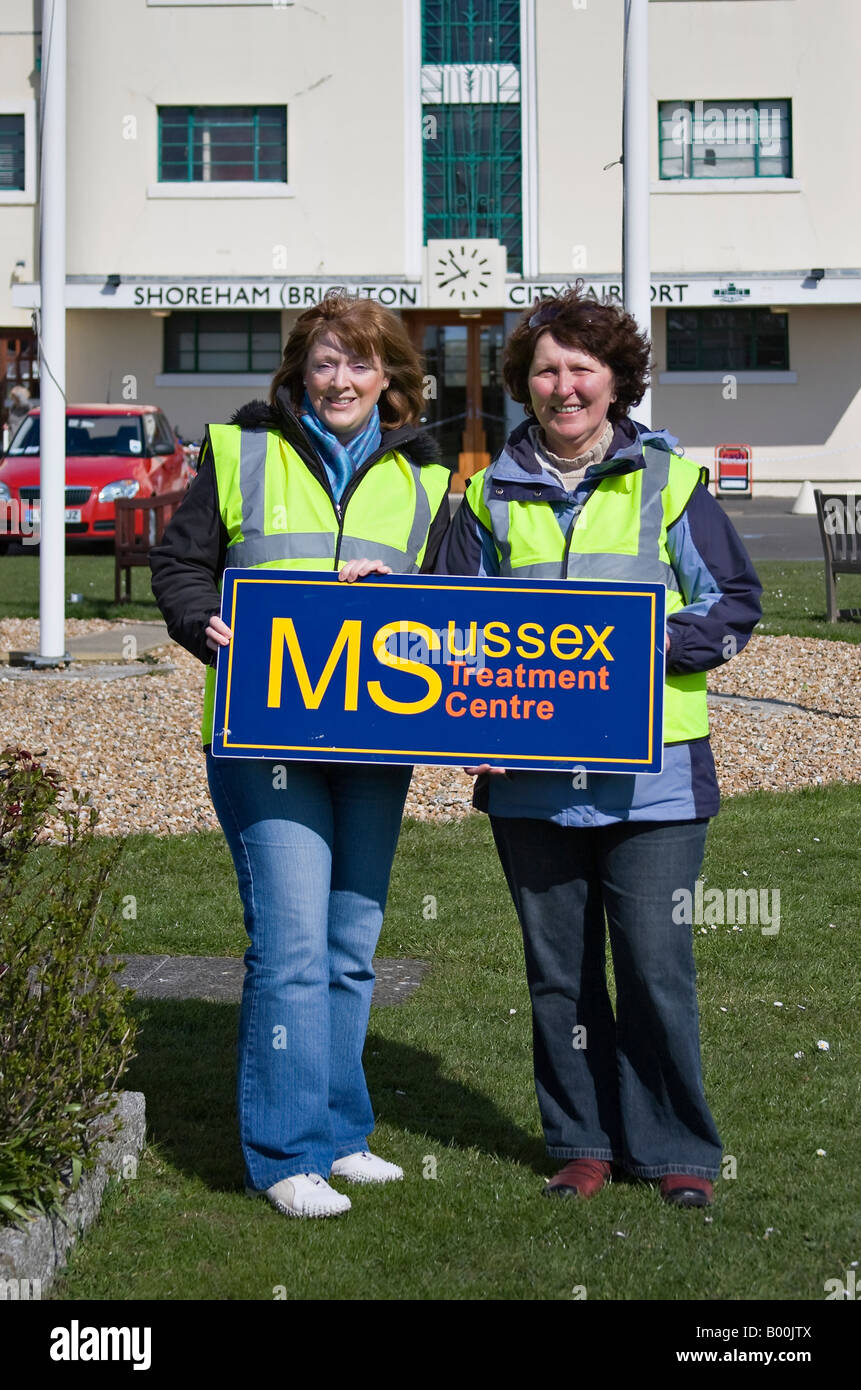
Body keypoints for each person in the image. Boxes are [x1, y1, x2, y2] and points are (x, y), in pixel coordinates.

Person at [437, 288, 762, 1208]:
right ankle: (579, 1142)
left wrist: (645, 649)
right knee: (557, 975)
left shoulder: (671, 482)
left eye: (581, 368)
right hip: (531, 781)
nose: (563, 386)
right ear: (523, 385)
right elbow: (451, 625)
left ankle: (677, 1153)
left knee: (656, 967)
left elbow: (732, 606)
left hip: (655, 779)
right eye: (545, 369)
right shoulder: (483, 492)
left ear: (616, 381)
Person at [150, 294, 451, 1218]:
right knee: (288, 942)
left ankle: (340, 1134)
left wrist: (403, 591)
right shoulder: (241, 450)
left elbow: (452, 604)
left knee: (350, 944)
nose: (342, 381)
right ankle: (284, 1155)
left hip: (373, 737)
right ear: (299, 371)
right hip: (262, 737)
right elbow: (182, 565)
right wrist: (201, 621)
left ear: (390, 377)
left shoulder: (429, 478)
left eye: (361, 364)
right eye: (325, 363)